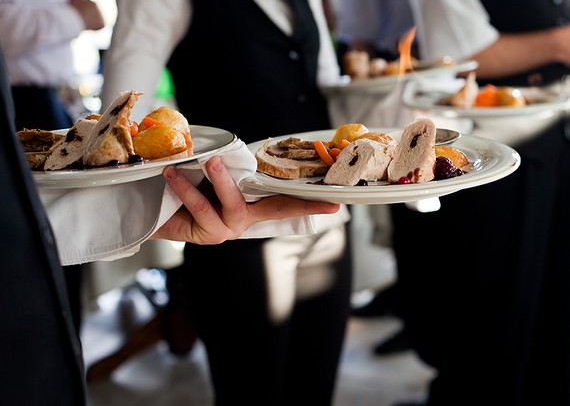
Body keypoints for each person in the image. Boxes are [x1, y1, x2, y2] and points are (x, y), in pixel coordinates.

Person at [0, 42, 340, 405]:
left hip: (311, 214)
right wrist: (150, 202)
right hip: (230, 230)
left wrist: (149, 211)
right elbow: (124, 109)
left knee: (316, 382)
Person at [100, 0, 352, 405]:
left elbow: (326, 86)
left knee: (316, 390)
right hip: (238, 229)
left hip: (327, 218)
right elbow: (126, 114)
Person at [389, 0, 570, 404]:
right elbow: (457, 49)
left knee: (561, 308)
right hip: (486, 159)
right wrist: (560, 42)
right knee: (490, 322)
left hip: (566, 145)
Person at [0, 0, 106, 335]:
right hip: (26, 106)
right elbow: (4, 26)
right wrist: (79, 17)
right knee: (50, 253)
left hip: (46, 101)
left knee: (64, 250)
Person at [331, 0, 416, 356]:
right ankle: (413, 307)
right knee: (405, 202)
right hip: (392, 84)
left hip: (455, 83)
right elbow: (357, 33)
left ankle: (421, 305)